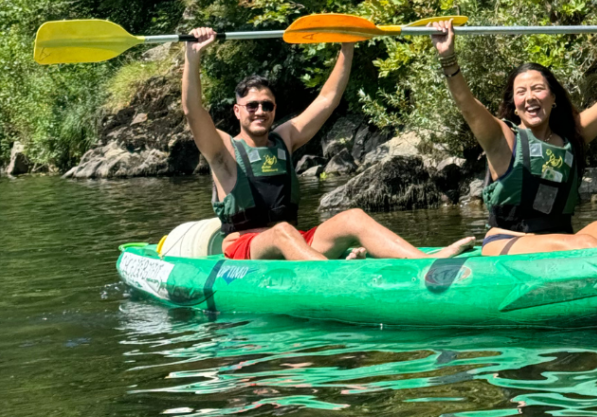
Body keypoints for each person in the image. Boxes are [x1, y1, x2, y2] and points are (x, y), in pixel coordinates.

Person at [182, 27, 474, 261]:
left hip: (295, 244)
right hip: (245, 249)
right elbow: (193, 112)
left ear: (274, 109)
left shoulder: (284, 138)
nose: (260, 111)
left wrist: (346, 48)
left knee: (353, 217)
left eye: (267, 105)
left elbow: (326, 100)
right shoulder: (222, 150)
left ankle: (426, 260)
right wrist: (192, 58)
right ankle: (330, 274)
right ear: (237, 111)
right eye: (252, 105)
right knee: (283, 231)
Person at [430, 17, 597, 255]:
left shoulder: (572, 135)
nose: (530, 97)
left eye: (538, 89)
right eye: (521, 92)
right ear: (514, 104)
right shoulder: (503, 139)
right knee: (584, 243)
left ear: (553, 97)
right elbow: (468, 106)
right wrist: (448, 59)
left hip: (562, 239)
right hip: (509, 239)